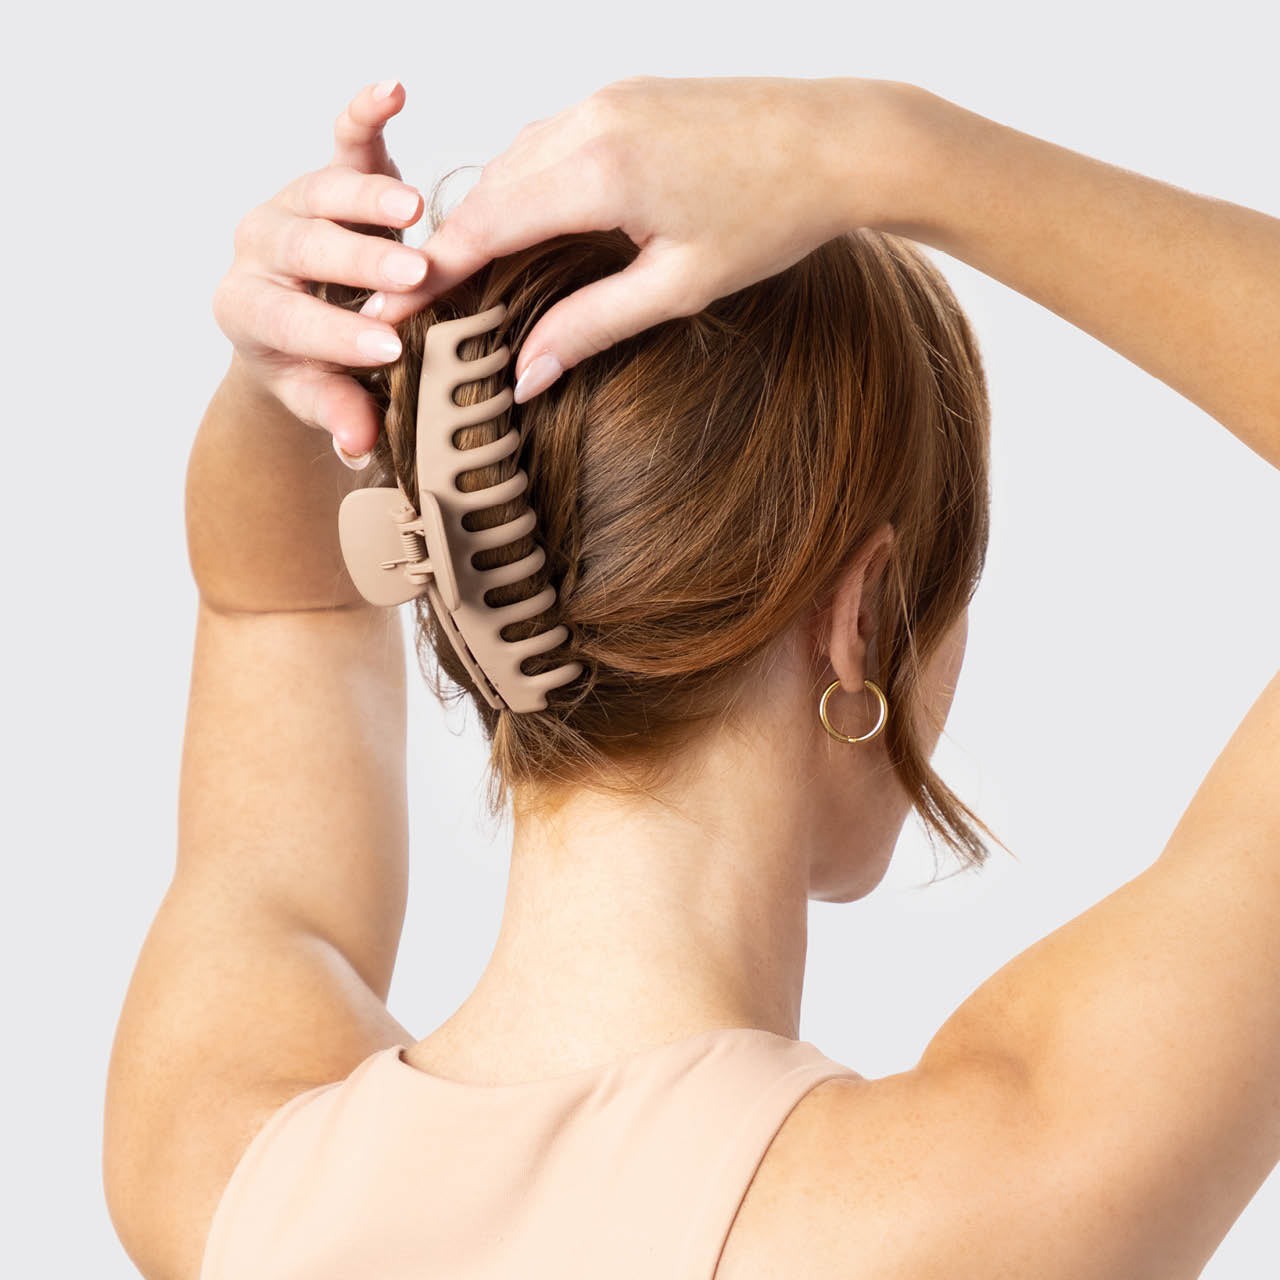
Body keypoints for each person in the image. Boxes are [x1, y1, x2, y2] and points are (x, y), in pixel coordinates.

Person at [103, 75, 1278, 1280]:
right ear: (861, 623)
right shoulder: (977, 1197)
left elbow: (275, 603)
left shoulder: (222, 1165)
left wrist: (298, 362)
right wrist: (891, 148)